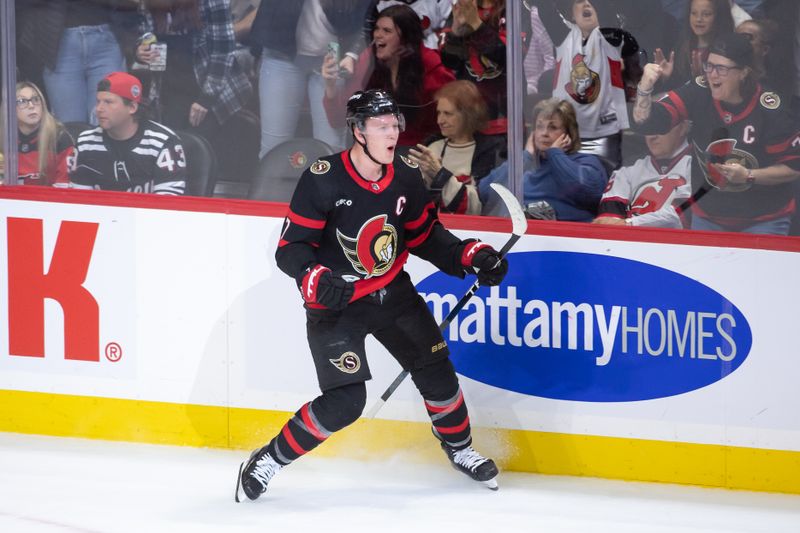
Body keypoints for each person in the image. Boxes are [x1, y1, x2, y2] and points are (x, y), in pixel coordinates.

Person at [234, 89, 508, 502]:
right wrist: (312, 277)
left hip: (392, 293)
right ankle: (267, 459)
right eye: (381, 126)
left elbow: (426, 237)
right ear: (358, 131)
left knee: (436, 372)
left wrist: (470, 255)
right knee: (346, 401)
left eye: (394, 124)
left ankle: (461, 449)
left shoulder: (406, 177)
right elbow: (290, 249)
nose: (392, 132)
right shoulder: (323, 177)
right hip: (336, 305)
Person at [634, 32, 800, 234]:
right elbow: (647, 122)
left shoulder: (770, 109)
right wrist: (644, 88)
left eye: (721, 68)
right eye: (709, 66)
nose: (712, 75)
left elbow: (794, 167)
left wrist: (749, 175)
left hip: (764, 219)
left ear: (744, 72)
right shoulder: (698, 90)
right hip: (709, 217)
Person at [248, 0, 373, 157]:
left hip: (333, 59)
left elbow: (367, 13)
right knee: (273, 148)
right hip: (281, 55)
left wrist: (352, 54)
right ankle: (273, 180)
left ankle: (329, 181)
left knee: (331, 147)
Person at [322, 4, 456, 147]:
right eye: (377, 29)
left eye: (387, 30)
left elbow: (452, 121)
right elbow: (339, 120)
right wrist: (330, 86)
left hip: (421, 153)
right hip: (378, 152)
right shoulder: (368, 60)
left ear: (406, 38)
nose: (378, 35)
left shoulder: (431, 66)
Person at [534, 0, 639, 170]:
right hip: (567, 134)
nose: (587, 5)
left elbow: (606, 13)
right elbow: (544, 8)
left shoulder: (611, 38)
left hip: (604, 136)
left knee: (599, 189)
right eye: (580, 1)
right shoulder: (563, 37)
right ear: (571, 13)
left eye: (592, 2)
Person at [135, 0, 253, 139]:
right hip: (169, 85)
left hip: (211, 84)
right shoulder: (148, 3)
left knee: (198, 143)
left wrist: (206, 99)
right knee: (170, 141)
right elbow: (144, 35)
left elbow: (223, 50)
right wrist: (139, 52)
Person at [479, 97, 608, 221]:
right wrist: (526, 156)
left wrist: (555, 154)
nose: (544, 133)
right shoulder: (526, 164)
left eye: (553, 127)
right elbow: (485, 192)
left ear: (569, 133)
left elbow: (590, 194)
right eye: (539, 126)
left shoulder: (586, 163)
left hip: (567, 238)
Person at [15, 0, 143, 124]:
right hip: (58, 39)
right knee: (70, 126)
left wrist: (134, 40)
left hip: (106, 36)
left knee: (108, 120)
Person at [69, 72, 187, 195]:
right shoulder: (86, 142)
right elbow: (79, 200)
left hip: (149, 213)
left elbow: (168, 204)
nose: (99, 109)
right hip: (99, 214)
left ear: (132, 107)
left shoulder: (163, 142)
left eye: (108, 102)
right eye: (98, 101)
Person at [407, 80, 504, 214]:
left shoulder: (491, 153)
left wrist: (440, 175)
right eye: (439, 113)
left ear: (468, 115)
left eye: (448, 114)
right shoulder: (432, 149)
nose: (440, 120)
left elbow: (477, 208)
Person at [594, 120, 692, 228]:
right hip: (630, 241)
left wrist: (631, 223)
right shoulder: (629, 166)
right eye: (648, 129)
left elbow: (683, 215)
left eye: (660, 128)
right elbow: (609, 219)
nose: (652, 136)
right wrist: (622, 224)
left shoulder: (699, 166)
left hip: (679, 243)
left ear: (683, 128)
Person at [652, 0, 736, 89]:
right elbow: (677, 87)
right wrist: (667, 76)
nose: (698, 19)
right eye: (694, 13)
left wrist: (701, 81)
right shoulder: (682, 45)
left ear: (719, 16)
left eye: (706, 14)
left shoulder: (727, 50)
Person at [15, 82, 76, 187]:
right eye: (22, 101)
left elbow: (64, 188)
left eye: (35, 99)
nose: (31, 106)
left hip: (49, 201)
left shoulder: (60, 138)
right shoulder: (4, 140)